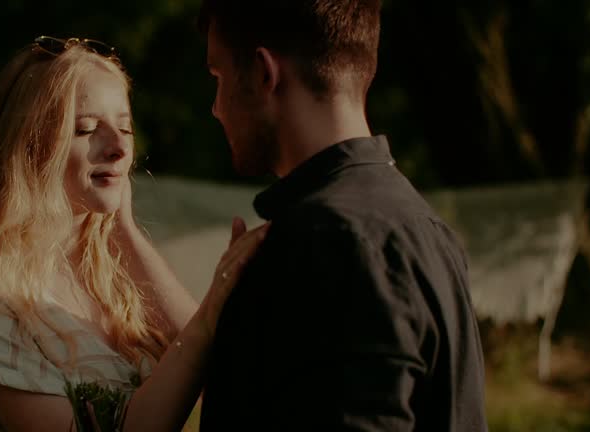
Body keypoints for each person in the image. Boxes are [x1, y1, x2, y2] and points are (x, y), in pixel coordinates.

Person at [0, 35, 269, 432]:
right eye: (87, 130)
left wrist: (127, 233)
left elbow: (224, 375)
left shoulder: (115, 278)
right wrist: (213, 310)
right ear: (29, 148)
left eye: (125, 127)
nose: (120, 147)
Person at [198, 1, 488, 431]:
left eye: (218, 78)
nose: (216, 108)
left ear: (263, 73)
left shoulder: (329, 242)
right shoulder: (421, 224)